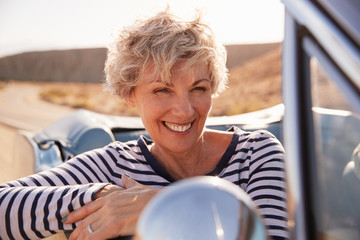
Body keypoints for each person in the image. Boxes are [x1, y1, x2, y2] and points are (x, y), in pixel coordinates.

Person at [0, 10, 288, 240]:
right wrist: (101, 197)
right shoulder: (112, 167)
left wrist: (158, 206)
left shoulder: (255, 154)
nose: (184, 110)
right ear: (129, 94)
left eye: (198, 88)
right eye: (162, 90)